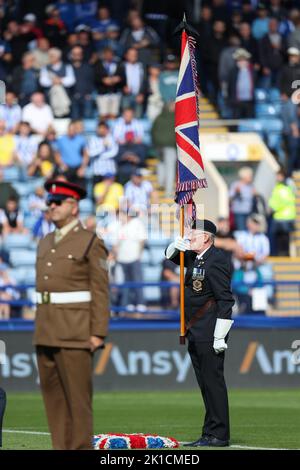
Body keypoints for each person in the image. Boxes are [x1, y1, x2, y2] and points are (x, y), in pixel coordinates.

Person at [34, 179, 110, 450]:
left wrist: (97, 332)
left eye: (57, 202)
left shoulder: (90, 241)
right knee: (53, 403)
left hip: (76, 333)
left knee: (78, 404)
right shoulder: (44, 242)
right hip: (46, 331)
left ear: (73, 206)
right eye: (49, 202)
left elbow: (100, 290)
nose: (51, 206)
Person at [165, 219, 234, 447]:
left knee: (213, 383)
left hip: (209, 330)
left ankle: (219, 434)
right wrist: (176, 245)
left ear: (206, 238)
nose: (189, 236)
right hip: (195, 329)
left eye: (193, 233)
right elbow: (171, 257)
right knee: (205, 384)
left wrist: (220, 335)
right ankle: (209, 432)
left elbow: (225, 299)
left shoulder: (217, 261)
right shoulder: (196, 258)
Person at [268, 169, 296, 255]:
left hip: (283, 216)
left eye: (278, 176)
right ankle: (283, 254)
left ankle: (283, 255)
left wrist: (272, 208)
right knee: (283, 238)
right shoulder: (285, 186)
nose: (276, 178)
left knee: (282, 239)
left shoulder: (283, 187)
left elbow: (281, 200)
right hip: (285, 216)